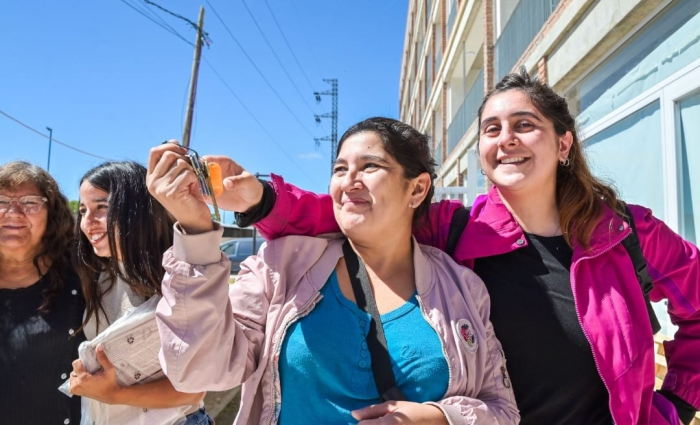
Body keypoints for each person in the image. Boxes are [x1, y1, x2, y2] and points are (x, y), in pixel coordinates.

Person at [209, 70, 700, 425]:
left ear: (564, 144)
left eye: (524, 124)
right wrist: (262, 198)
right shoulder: (456, 229)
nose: (506, 139)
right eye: (492, 129)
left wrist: (674, 406)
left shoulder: (626, 232)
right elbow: (353, 212)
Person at [145, 118, 520, 424]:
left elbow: (502, 410)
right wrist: (195, 232)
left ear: (418, 189)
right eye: (340, 169)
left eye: (370, 166)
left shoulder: (464, 289)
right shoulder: (281, 267)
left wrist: (439, 418)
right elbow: (198, 371)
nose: (348, 181)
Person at [68, 161, 211, 424]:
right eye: (83, 210)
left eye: (102, 208)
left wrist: (115, 394)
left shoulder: (175, 278)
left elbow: (192, 390)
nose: (88, 223)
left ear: (136, 210)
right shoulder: (94, 273)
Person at [0, 160, 85, 424]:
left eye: (30, 202)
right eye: (1, 201)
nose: (13, 212)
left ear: (52, 213)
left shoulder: (83, 275)